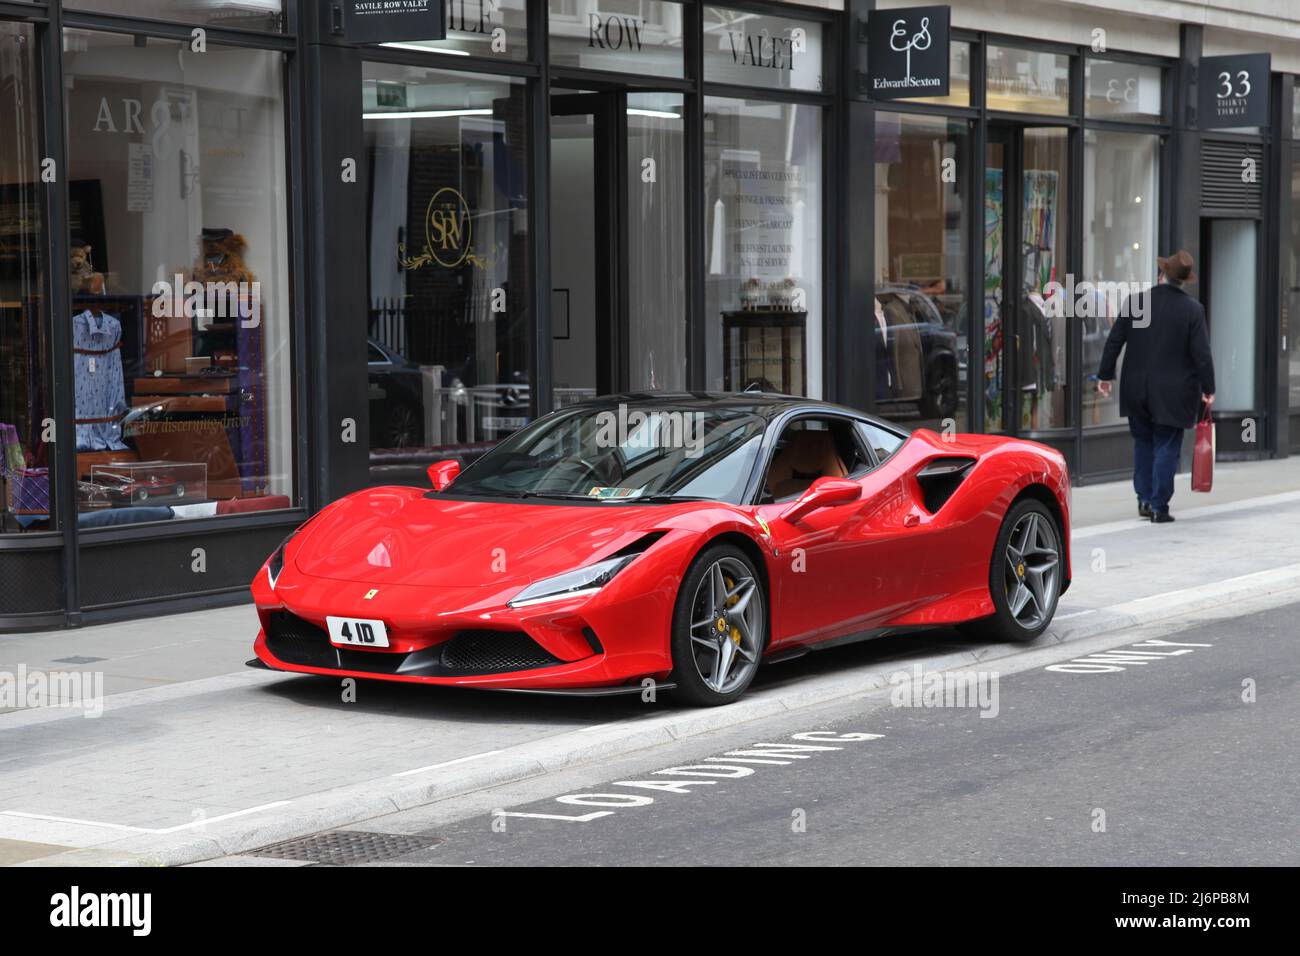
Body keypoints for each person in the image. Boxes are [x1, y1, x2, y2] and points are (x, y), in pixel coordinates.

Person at [1097, 250, 1215, 523]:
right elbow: (1202, 355)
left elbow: (1114, 341)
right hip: (1174, 392)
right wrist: (1209, 389)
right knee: (1166, 445)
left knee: (1143, 443)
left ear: (1161, 275)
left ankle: (1145, 499)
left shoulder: (1137, 303)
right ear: (1183, 281)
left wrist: (1105, 376)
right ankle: (1159, 506)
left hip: (1136, 389)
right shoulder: (1192, 310)